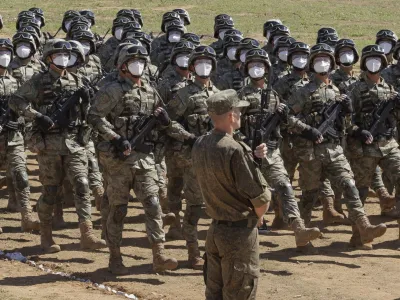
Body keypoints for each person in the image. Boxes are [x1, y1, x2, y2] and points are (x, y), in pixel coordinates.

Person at [88, 44, 193, 274]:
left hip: (145, 159)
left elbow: (164, 120)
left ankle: (159, 254)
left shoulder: (150, 90)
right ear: (123, 66)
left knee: (154, 205)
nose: (139, 65)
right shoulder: (113, 90)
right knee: (118, 210)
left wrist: (182, 133)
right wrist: (115, 138)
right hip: (118, 161)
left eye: (142, 61)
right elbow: (94, 116)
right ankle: (115, 257)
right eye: (134, 61)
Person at [10, 39, 106, 253]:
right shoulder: (38, 81)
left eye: (67, 55)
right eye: (59, 55)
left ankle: (87, 233)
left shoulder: (78, 80)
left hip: (74, 143)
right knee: (51, 191)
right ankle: (46, 235)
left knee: (82, 184)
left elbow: (91, 111)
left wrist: (88, 99)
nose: (64, 59)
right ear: (48, 58)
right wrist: (37, 116)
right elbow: (16, 101)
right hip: (50, 145)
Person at [288, 43, 387, 248]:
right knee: (309, 194)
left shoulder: (337, 91)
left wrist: (348, 112)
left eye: (325, 60)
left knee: (350, 185)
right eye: (317, 61)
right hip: (311, 152)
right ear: (311, 65)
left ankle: (363, 228)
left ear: (332, 64)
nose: (322, 64)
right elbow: (288, 118)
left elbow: (347, 126)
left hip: (334, 149)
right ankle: (303, 236)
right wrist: (308, 130)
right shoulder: (302, 91)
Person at [238, 48, 320, 249]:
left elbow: (286, 123)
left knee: (284, 186)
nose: (256, 69)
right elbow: (233, 127)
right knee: (248, 196)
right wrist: (248, 146)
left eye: (259, 65)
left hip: (272, 152)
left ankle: (298, 228)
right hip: (248, 154)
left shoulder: (273, 95)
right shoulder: (241, 96)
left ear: (267, 69)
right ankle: (244, 235)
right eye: (252, 66)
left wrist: (305, 128)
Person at [192, 89, 270, 300]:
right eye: (238, 110)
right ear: (230, 115)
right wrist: (260, 216)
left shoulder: (200, 143)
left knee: (214, 292)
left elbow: (222, 174)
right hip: (239, 234)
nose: (241, 115)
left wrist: (251, 157)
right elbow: (261, 199)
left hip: (215, 230)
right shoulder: (235, 149)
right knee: (239, 292)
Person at [167, 45, 219, 269]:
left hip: (216, 159)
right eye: (199, 63)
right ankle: (193, 253)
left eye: (207, 63)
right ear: (192, 67)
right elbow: (168, 122)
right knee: (195, 207)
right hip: (192, 158)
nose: (204, 67)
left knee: (218, 208)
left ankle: (215, 251)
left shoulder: (219, 95)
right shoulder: (184, 93)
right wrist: (188, 137)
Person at [347, 44, 400, 220]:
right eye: (370, 60)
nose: (374, 63)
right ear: (363, 64)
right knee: (361, 189)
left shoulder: (390, 89)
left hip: (388, 144)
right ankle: (359, 232)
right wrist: (357, 131)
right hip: (364, 148)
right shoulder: (355, 89)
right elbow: (345, 120)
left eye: (377, 60)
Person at [0, 38, 40, 231]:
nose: (5, 56)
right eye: (1, 52)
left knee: (22, 176)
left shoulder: (15, 81)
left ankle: (27, 215)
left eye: (7, 52)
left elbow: (24, 106)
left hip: (14, 138)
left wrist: (35, 118)